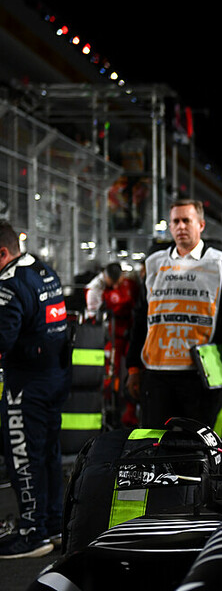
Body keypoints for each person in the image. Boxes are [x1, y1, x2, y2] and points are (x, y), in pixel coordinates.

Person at [125, 199, 222, 429]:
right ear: (170, 226)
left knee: (197, 446)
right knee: (154, 444)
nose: (181, 226)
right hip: (157, 375)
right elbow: (141, 317)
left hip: (200, 376)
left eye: (186, 220)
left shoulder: (220, 264)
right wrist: (133, 367)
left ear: (201, 225)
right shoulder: (154, 264)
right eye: (176, 221)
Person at [0, 220, 69, 558]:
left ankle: (32, 533)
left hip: (26, 385)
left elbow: (2, 340)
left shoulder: (9, 284)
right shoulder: (44, 270)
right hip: (55, 377)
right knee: (48, 456)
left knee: (24, 458)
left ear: (2, 253)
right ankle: (53, 525)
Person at [85, 262, 141, 424]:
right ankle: (108, 407)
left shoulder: (130, 283)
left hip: (132, 333)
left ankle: (131, 411)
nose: (116, 285)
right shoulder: (95, 289)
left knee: (135, 369)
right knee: (110, 371)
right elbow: (94, 317)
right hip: (112, 336)